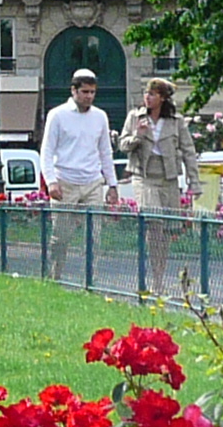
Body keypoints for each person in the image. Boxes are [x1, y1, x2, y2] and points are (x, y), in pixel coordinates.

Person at [42, 68, 115, 281]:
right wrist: (51, 182)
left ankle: (91, 280)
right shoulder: (57, 115)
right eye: (84, 92)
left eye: (92, 92)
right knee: (61, 237)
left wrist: (112, 184)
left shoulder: (100, 116)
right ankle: (55, 276)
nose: (89, 96)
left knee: (94, 236)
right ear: (73, 91)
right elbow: (46, 151)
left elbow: (105, 152)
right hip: (65, 182)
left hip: (92, 182)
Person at [120, 77, 191, 294]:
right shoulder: (135, 117)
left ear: (162, 98)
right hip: (144, 175)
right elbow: (122, 145)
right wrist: (138, 136)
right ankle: (155, 280)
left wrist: (194, 182)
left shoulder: (176, 121)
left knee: (167, 229)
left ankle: (159, 274)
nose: (147, 97)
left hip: (168, 178)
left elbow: (189, 151)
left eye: (152, 94)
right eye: (146, 93)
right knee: (154, 224)